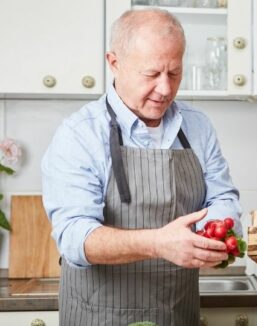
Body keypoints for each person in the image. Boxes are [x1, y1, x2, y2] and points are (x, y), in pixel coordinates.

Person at [41, 9, 242, 326]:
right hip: (100, 318)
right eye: (151, 75)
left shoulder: (198, 127)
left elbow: (222, 197)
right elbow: (74, 238)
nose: (164, 89)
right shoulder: (79, 134)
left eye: (174, 73)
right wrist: (157, 243)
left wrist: (216, 234)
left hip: (179, 315)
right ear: (114, 62)